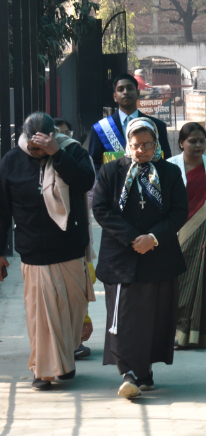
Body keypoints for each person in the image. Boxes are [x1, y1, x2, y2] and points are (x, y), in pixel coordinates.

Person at [92, 117, 189, 399]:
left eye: (147, 144)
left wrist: (153, 238)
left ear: (156, 143)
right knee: (124, 316)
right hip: (122, 257)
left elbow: (179, 211)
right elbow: (101, 209)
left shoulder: (169, 172)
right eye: (136, 145)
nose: (141, 150)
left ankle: (143, 371)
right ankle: (128, 373)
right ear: (128, 144)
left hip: (159, 255)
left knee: (155, 317)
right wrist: (134, 238)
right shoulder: (111, 171)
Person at [0, 113, 96, 390]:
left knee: (71, 313)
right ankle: (42, 371)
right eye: (34, 148)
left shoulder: (72, 151)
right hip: (34, 250)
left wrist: (58, 154)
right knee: (40, 316)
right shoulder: (12, 160)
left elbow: (85, 182)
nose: (37, 153)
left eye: (43, 147)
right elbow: (2, 209)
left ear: (53, 136)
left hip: (70, 247)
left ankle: (64, 363)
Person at [168, 123, 206, 349]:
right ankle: (179, 333)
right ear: (181, 143)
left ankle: (202, 334)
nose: (198, 145)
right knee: (181, 284)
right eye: (192, 141)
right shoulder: (170, 166)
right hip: (179, 234)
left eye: (201, 141)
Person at [54, 118, 96, 359]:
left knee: (80, 289)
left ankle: (76, 340)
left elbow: (90, 191)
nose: (62, 139)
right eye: (57, 134)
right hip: (48, 242)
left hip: (78, 237)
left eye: (65, 134)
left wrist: (71, 205)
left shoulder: (79, 156)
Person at [89, 74, 172, 176]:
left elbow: (166, 160)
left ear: (138, 93)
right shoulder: (100, 129)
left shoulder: (157, 126)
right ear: (115, 97)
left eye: (130, 88)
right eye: (120, 89)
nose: (125, 92)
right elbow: (94, 165)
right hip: (113, 184)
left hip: (149, 183)